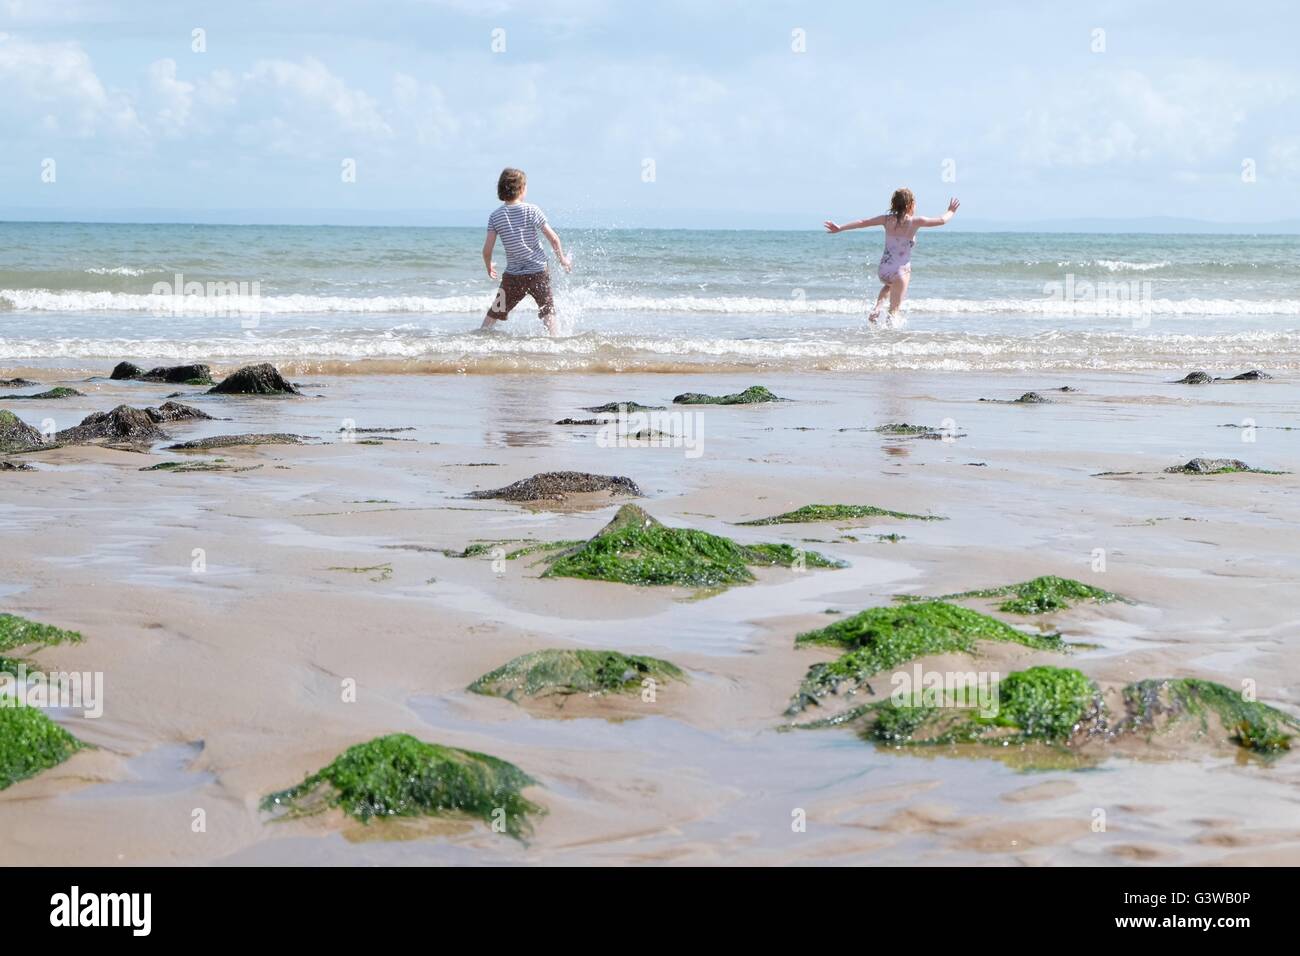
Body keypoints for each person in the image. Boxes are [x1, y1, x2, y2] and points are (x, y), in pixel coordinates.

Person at [824, 189, 959, 327]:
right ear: (910, 205)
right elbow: (942, 220)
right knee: (894, 312)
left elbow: (863, 222)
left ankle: (877, 308)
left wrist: (840, 228)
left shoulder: (886, 219)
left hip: (884, 269)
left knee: (888, 286)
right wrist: (951, 211)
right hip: (901, 272)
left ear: (894, 204)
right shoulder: (916, 221)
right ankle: (890, 340)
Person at [480, 167, 572, 334]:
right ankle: (555, 340)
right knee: (548, 311)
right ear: (521, 189)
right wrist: (563, 259)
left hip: (512, 277)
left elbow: (487, 250)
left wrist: (489, 266)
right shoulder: (531, 210)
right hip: (538, 272)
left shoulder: (495, 216)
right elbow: (553, 238)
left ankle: (480, 336)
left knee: (495, 310)